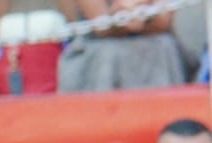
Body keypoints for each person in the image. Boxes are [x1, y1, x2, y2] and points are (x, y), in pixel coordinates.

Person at [57, 0, 186, 93]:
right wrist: (119, 14)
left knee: (164, 45)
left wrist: (140, 18)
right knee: (109, 52)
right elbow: (101, 27)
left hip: (153, 40)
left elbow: (163, 23)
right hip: (97, 47)